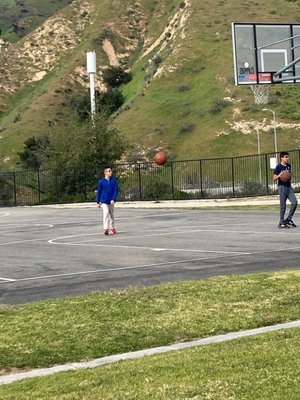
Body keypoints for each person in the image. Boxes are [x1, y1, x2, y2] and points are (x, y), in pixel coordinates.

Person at [273, 151, 298, 229]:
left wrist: (288, 175)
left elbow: (288, 175)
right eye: (286, 157)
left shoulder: (288, 166)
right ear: (282, 158)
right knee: (283, 206)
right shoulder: (278, 167)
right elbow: (274, 178)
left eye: (288, 157)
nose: (288, 158)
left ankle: (288, 219)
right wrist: (279, 175)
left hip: (288, 187)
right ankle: (281, 222)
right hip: (282, 187)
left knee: (294, 202)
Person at [96, 166, 119, 235]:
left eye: (111, 171)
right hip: (104, 201)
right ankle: (106, 228)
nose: (111, 172)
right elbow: (99, 192)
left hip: (111, 201)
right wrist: (98, 202)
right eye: (109, 171)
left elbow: (116, 190)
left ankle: (112, 228)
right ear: (105, 172)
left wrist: (113, 199)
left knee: (111, 215)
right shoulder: (101, 182)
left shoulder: (114, 181)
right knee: (105, 213)